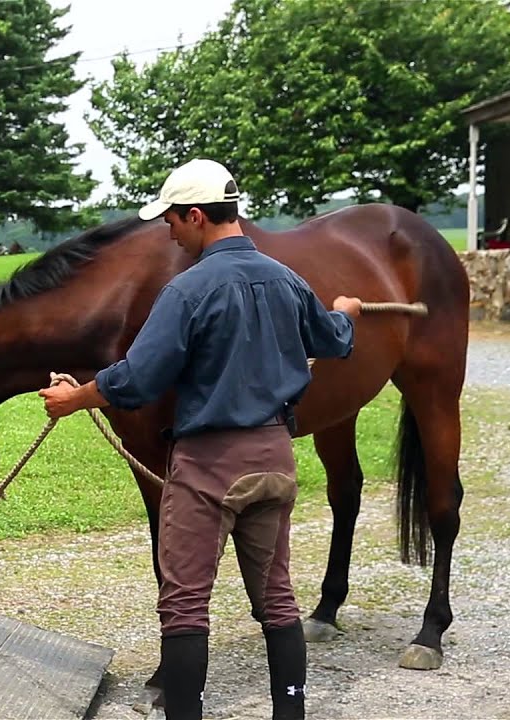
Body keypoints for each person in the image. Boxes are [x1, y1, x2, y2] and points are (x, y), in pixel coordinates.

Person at [38, 159, 362, 720]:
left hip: (211, 466)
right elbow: (334, 341)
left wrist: (76, 398)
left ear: (196, 215)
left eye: (171, 220)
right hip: (275, 461)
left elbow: (138, 378)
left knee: (185, 606)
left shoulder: (186, 290)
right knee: (279, 601)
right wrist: (346, 314)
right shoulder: (287, 279)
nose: (168, 231)